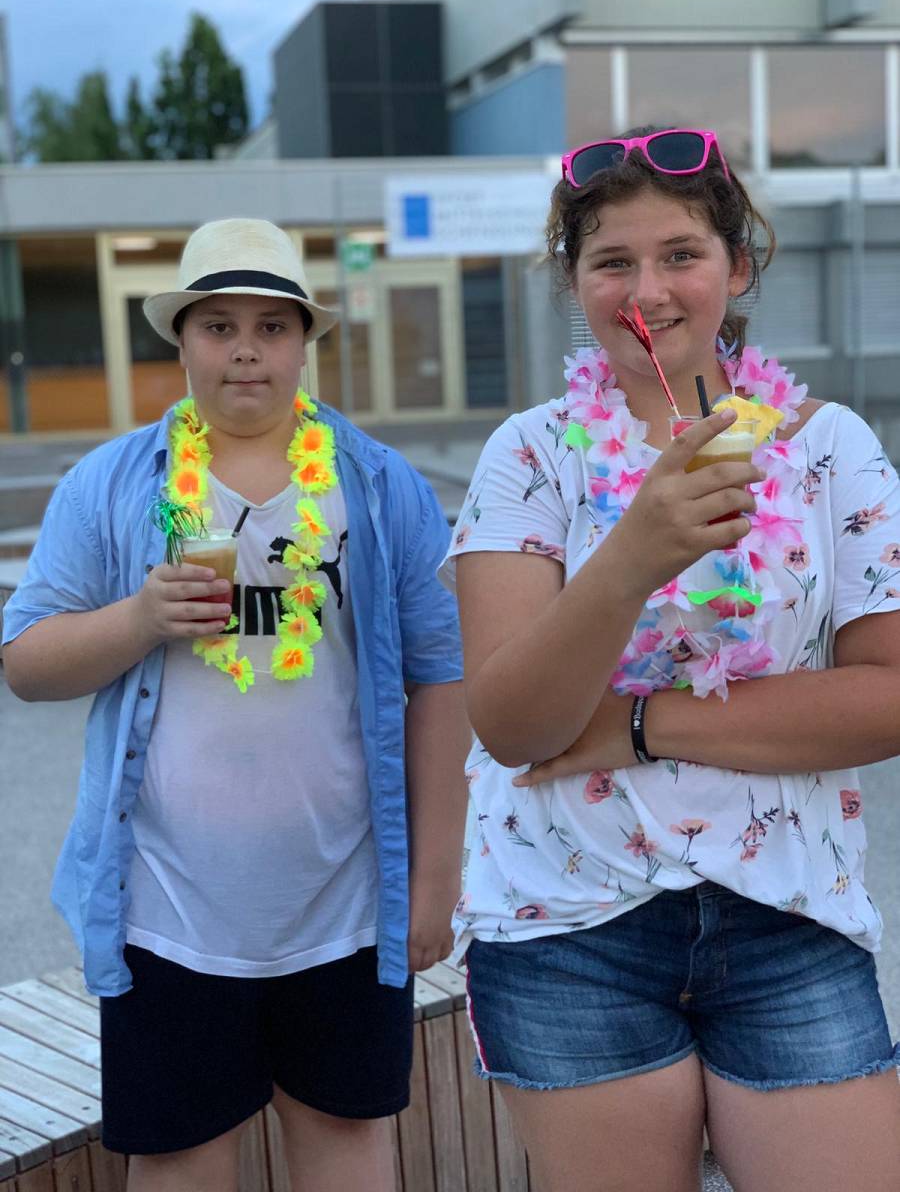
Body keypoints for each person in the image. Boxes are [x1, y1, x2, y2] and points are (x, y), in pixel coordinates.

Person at [443, 127, 900, 1191]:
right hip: (566, 924)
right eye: (611, 261)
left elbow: (888, 698)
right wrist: (633, 555)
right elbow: (511, 726)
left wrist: (639, 726)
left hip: (789, 910)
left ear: (736, 267)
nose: (646, 290)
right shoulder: (529, 454)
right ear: (576, 282)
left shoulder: (831, 447)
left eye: (680, 254)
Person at [2, 217, 470, 1192]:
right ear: (181, 342)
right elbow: (26, 663)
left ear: (305, 342)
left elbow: (443, 677)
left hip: (346, 905)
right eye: (218, 326)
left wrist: (433, 879)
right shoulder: (112, 484)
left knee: (346, 1142)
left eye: (272, 326)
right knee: (178, 1159)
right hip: (165, 913)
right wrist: (139, 618)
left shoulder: (378, 485)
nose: (246, 350)